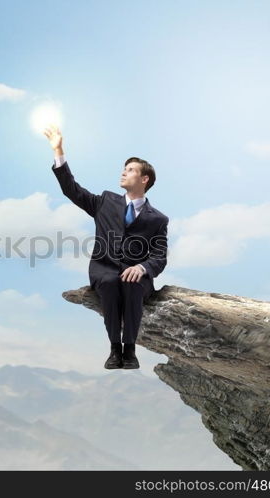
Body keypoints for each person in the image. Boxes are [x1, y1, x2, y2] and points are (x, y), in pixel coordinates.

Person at [44, 126, 169, 370]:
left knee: (131, 284)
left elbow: (160, 256)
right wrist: (58, 150)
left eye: (130, 170)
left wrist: (143, 268)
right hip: (105, 270)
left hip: (137, 276)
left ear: (144, 179)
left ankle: (130, 350)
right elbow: (72, 190)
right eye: (124, 169)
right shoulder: (104, 202)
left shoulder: (158, 219)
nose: (124, 173)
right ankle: (114, 349)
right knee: (111, 283)